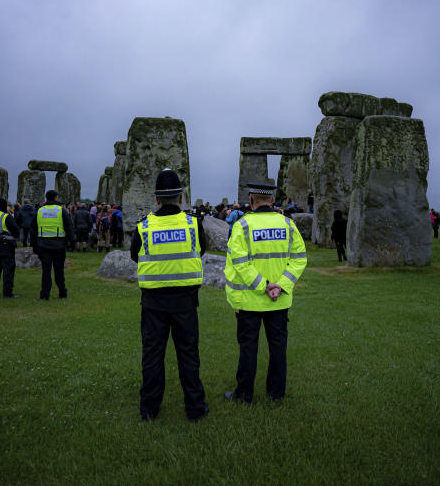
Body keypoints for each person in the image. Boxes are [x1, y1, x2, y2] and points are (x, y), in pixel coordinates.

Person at [130, 169, 209, 422]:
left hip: (153, 301)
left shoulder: (143, 226)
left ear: (157, 200)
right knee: (188, 354)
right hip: (185, 301)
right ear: (181, 198)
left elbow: (135, 255)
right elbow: (201, 249)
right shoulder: (193, 224)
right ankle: (195, 408)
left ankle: (150, 409)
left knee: (153, 355)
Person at [223, 182, 307, 404]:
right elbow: (299, 260)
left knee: (248, 349)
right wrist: (280, 286)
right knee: (278, 347)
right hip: (279, 300)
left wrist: (264, 286)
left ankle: (244, 394)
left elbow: (240, 263)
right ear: (272, 200)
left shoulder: (242, 226)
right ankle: (276, 392)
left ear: (251, 200)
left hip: (250, 300)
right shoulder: (288, 225)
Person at [33, 189, 73, 300]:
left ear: (46, 198)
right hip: (58, 245)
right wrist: (71, 242)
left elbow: (33, 229)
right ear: (56, 198)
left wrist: (34, 246)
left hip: (43, 244)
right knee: (59, 270)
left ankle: (44, 295)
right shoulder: (61, 210)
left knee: (46, 271)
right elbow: (69, 227)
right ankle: (62, 292)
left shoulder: (39, 211)